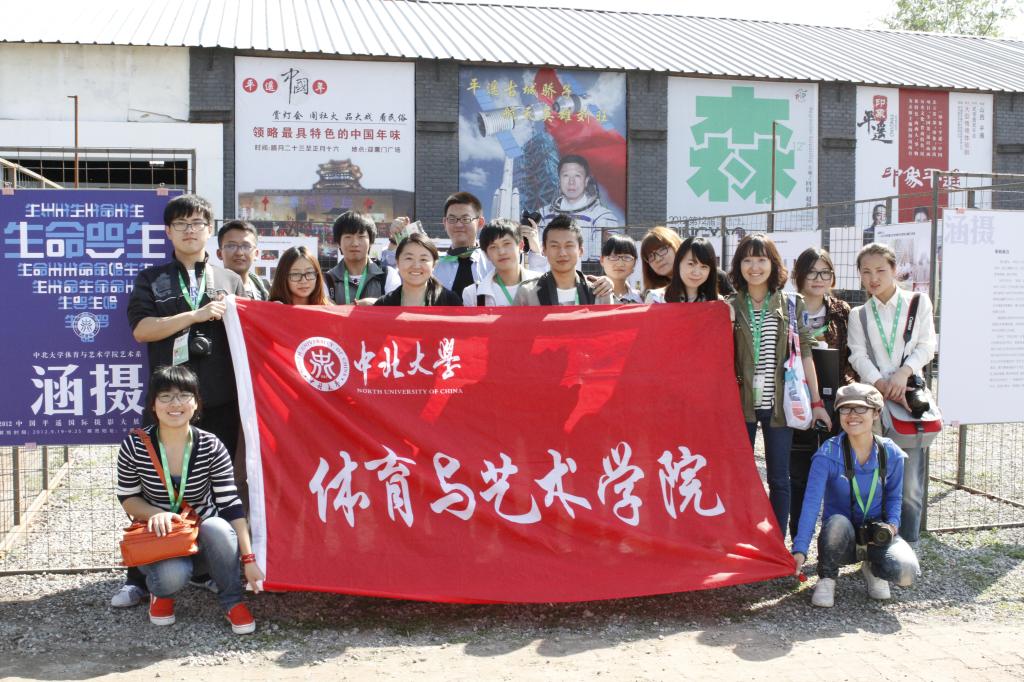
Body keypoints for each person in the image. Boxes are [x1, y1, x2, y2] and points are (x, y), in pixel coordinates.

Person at [119, 194, 245, 609]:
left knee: (215, 486)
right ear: (168, 232)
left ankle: (208, 570)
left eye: (197, 223)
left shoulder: (230, 279)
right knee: (156, 484)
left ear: (210, 230)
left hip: (220, 399)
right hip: (169, 401)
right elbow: (142, 330)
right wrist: (194, 315)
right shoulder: (152, 279)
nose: (190, 230)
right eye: (181, 224)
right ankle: (140, 576)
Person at [116, 365, 263, 632]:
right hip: (160, 538)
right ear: (153, 404)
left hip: (201, 536)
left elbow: (230, 504)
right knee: (173, 574)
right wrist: (155, 513)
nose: (175, 403)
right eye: (165, 396)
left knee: (219, 528)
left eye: (184, 395)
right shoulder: (134, 445)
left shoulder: (211, 445)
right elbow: (128, 497)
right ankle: (161, 593)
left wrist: (249, 559)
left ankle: (232, 602)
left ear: (196, 403)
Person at [728, 233, 832, 535]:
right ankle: (744, 539)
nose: (754, 267)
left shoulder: (790, 304)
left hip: (781, 404)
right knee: (740, 477)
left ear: (773, 264)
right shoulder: (730, 305)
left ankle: (776, 543)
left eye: (761, 259)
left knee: (779, 478)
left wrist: (816, 402)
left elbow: (806, 353)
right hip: (741, 404)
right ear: (739, 265)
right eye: (747, 260)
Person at [792, 383, 920, 607]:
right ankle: (827, 577)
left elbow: (894, 498)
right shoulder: (827, 453)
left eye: (861, 409)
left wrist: (891, 526)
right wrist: (800, 549)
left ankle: (873, 569)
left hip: (876, 534)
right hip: (842, 534)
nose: (852, 415)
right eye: (845, 409)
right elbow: (811, 504)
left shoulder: (891, 453)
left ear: (876, 413)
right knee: (836, 524)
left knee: (906, 573)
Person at [847, 243, 936, 549]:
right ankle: (873, 550)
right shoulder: (858, 314)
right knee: (871, 480)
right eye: (866, 272)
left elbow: (927, 345)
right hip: (872, 404)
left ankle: (907, 550)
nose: (873, 278)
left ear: (895, 270)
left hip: (907, 401)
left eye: (880, 270)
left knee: (910, 484)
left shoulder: (917, 302)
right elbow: (857, 355)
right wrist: (880, 383)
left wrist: (903, 373)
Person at [787, 247, 857, 539]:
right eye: (812, 272)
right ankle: (798, 540)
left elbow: (852, 356)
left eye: (825, 272)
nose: (818, 279)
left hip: (834, 402)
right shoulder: (787, 308)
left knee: (837, 475)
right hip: (795, 402)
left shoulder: (841, 311)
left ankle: (834, 543)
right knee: (798, 476)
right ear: (799, 275)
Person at [513, 216, 613, 306]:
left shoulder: (600, 292)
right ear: (544, 250)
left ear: (581, 251)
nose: (562, 253)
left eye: (569, 245)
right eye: (555, 246)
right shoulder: (527, 293)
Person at [323, 211, 400, 305]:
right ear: (338, 242)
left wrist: (375, 303)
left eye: (361, 236)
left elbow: (396, 307)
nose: (355, 243)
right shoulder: (327, 280)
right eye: (348, 237)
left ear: (371, 241)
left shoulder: (388, 275)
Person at [462, 219, 542, 306]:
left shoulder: (543, 284)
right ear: (486, 254)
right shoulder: (473, 294)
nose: (501, 252)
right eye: (493, 247)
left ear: (520, 246)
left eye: (506, 244)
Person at [374, 233, 463, 307]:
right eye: (409, 258)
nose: (416, 266)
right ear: (397, 262)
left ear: (434, 264)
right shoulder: (384, 304)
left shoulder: (450, 302)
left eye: (423, 259)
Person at [539, 154, 618, 237]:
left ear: (586, 181)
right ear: (559, 180)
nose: (571, 182)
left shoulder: (603, 217)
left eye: (577, 176)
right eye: (566, 176)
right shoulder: (543, 215)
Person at [432, 192, 492, 298]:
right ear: (445, 223)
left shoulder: (492, 263)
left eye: (465, 219)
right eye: (452, 219)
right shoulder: (434, 266)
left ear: (480, 223)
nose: (458, 225)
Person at [646, 236, 719, 303]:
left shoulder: (717, 302)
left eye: (704, 267)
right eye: (691, 264)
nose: (697, 272)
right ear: (678, 263)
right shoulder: (656, 299)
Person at [216, 220, 270, 300]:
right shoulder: (209, 290)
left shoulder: (267, 291)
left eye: (246, 246)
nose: (239, 253)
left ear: (256, 254)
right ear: (219, 254)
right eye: (231, 246)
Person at [599, 235, 643, 304]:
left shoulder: (641, 299)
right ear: (602, 260)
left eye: (627, 257)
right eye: (613, 257)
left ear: (634, 263)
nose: (620, 264)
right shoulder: (589, 294)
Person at [639, 227, 682, 294]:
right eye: (651, 256)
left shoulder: (698, 286)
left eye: (662, 249)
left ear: (676, 245)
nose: (658, 259)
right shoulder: (653, 296)